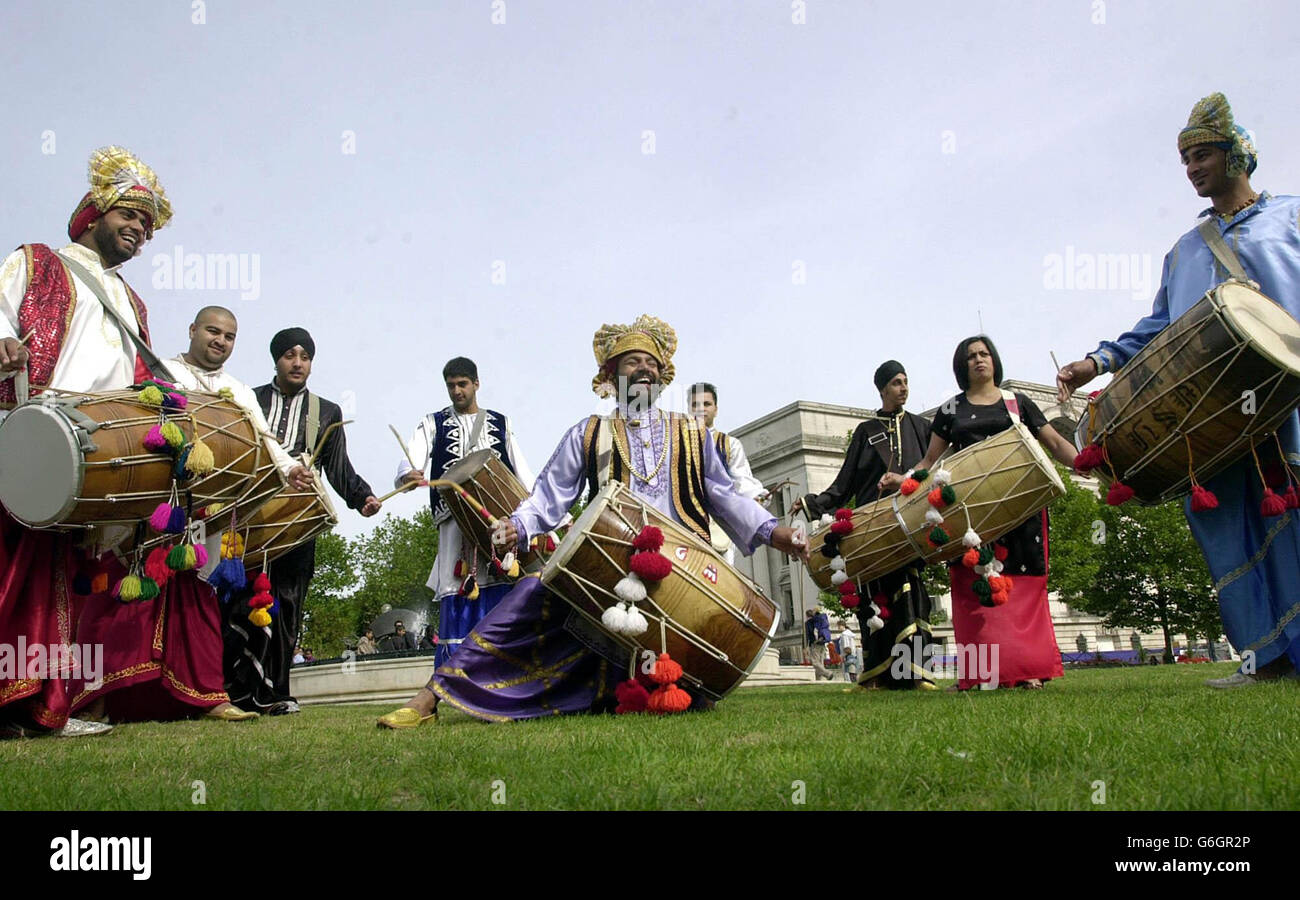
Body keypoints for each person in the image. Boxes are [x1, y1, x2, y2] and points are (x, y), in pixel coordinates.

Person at [377, 314, 809, 727]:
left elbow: (725, 495)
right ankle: (431, 697)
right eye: (632, 362)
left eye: (651, 362)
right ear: (611, 376)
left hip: (683, 570)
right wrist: (517, 526)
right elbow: (549, 496)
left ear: (662, 376)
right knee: (530, 590)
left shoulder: (691, 432)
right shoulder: (589, 432)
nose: (644, 368)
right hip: (610, 571)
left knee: (675, 687)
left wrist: (774, 532)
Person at [1057, 93, 1300, 688]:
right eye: (1185, 159)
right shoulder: (1185, 250)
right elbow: (1161, 326)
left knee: (1292, 512)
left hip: (1283, 391)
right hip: (1210, 407)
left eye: (1201, 155)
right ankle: (1262, 657)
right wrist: (1099, 360)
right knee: (1223, 521)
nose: (1191, 168)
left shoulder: (1290, 217)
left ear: (1235, 153)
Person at [1, 147, 174, 737]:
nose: (139, 231)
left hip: (102, 454)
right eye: (130, 215)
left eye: (147, 225)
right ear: (95, 212)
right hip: (35, 436)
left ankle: (50, 706)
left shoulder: (134, 302)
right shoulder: (38, 261)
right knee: (18, 572)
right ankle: (14, 700)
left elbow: (143, 379)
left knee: (78, 580)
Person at [72, 307, 310, 722]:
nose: (220, 341)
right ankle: (102, 700)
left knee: (198, 599)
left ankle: (206, 696)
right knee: (131, 594)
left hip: (207, 512)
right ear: (193, 330)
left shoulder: (239, 391)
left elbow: (265, 440)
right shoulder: (159, 372)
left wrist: (290, 468)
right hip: (155, 507)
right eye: (213, 332)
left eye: (230, 336)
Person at [885, 336, 1078, 690]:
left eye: (984, 354)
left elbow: (1052, 442)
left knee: (1024, 587)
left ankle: (1028, 670)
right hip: (970, 514)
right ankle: (984, 674)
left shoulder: (1018, 402)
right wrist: (905, 481)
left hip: (1021, 508)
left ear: (994, 360)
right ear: (962, 366)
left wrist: (1085, 462)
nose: (978, 360)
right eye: (971, 356)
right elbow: (930, 462)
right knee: (972, 589)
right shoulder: (950, 410)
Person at [239, 327, 380, 715]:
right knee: (238, 600)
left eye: (304, 356)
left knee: (287, 603)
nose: (297, 362)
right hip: (249, 518)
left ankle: (276, 692)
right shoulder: (248, 400)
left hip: (299, 521)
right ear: (276, 360)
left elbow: (338, 468)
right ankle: (233, 691)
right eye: (289, 355)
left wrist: (361, 496)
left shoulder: (327, 412)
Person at [792, 361, 937, 689]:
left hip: (909, 524)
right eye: (897, 383)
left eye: (906, 382)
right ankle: (876, 675)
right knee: (873, 598)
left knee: (911, 593)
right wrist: (812, 502)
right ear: (883, 389)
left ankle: (915, 675)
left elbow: (933, 469)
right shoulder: (865, 432)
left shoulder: (921, 428)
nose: (904, 388)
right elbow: (845, 484)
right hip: (872, 528)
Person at [396, 357, 534, 668]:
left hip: (499, 520)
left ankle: (503, 672)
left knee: (503, 580)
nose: (457, 391)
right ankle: (456, 677)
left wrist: (542, 511)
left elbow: (521, 469)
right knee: (456, 584)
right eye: (451, 386)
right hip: (454, 520)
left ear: (476, 384)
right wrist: (409, 473)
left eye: (462, 384)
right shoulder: (432, 423)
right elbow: (412, 456)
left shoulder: (500, 422)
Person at [689, 382, 769, 564]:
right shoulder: (678, 444)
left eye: (706, 404)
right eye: (695, 405)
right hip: (685, 524)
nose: (701, 409)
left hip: (719, 529)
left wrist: (756, 499)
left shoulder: (729, 444)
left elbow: (743, 482)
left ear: (716, 409)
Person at [805, 609, 834, 681]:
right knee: (820, 662)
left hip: (815, 644)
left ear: (807, 615)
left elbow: (807, 635)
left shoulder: (809, 623)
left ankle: (827, 673)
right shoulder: (822, 619)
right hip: (823, 642)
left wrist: (806, 646)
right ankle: (819, 680)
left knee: (815, 662)